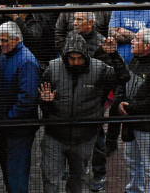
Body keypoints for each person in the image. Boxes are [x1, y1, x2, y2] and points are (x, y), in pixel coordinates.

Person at [39, 32, 125, 193]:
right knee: (50, 181)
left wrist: (114, 55)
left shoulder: (99, 69)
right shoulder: (52, 69)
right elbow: (43, 106)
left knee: (78, 179)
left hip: (85, 137)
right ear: (65, 57)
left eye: (80, 58)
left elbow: (123, 77)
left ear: (86, 56)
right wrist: (45, 101)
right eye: (72, 58)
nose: (76, 62)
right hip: (55, 136)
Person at [117, 27, 150, 193]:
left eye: (137, 40)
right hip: (133, 121)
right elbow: (125, 81)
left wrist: (128, 107)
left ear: (147, 46)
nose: (132, 41)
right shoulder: (135, 59)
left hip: (149, 125)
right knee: (132, 159)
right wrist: (121, 101)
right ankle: (134, 189)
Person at [0, 21, 39, 193]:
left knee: (17, 171)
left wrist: (9, 118)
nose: (0, 44)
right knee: (8, 165)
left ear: (17, 39)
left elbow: (27, 98)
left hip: (19, 127)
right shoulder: (5, 56)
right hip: (8, 124)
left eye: (4, 40)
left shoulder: (26, 61)